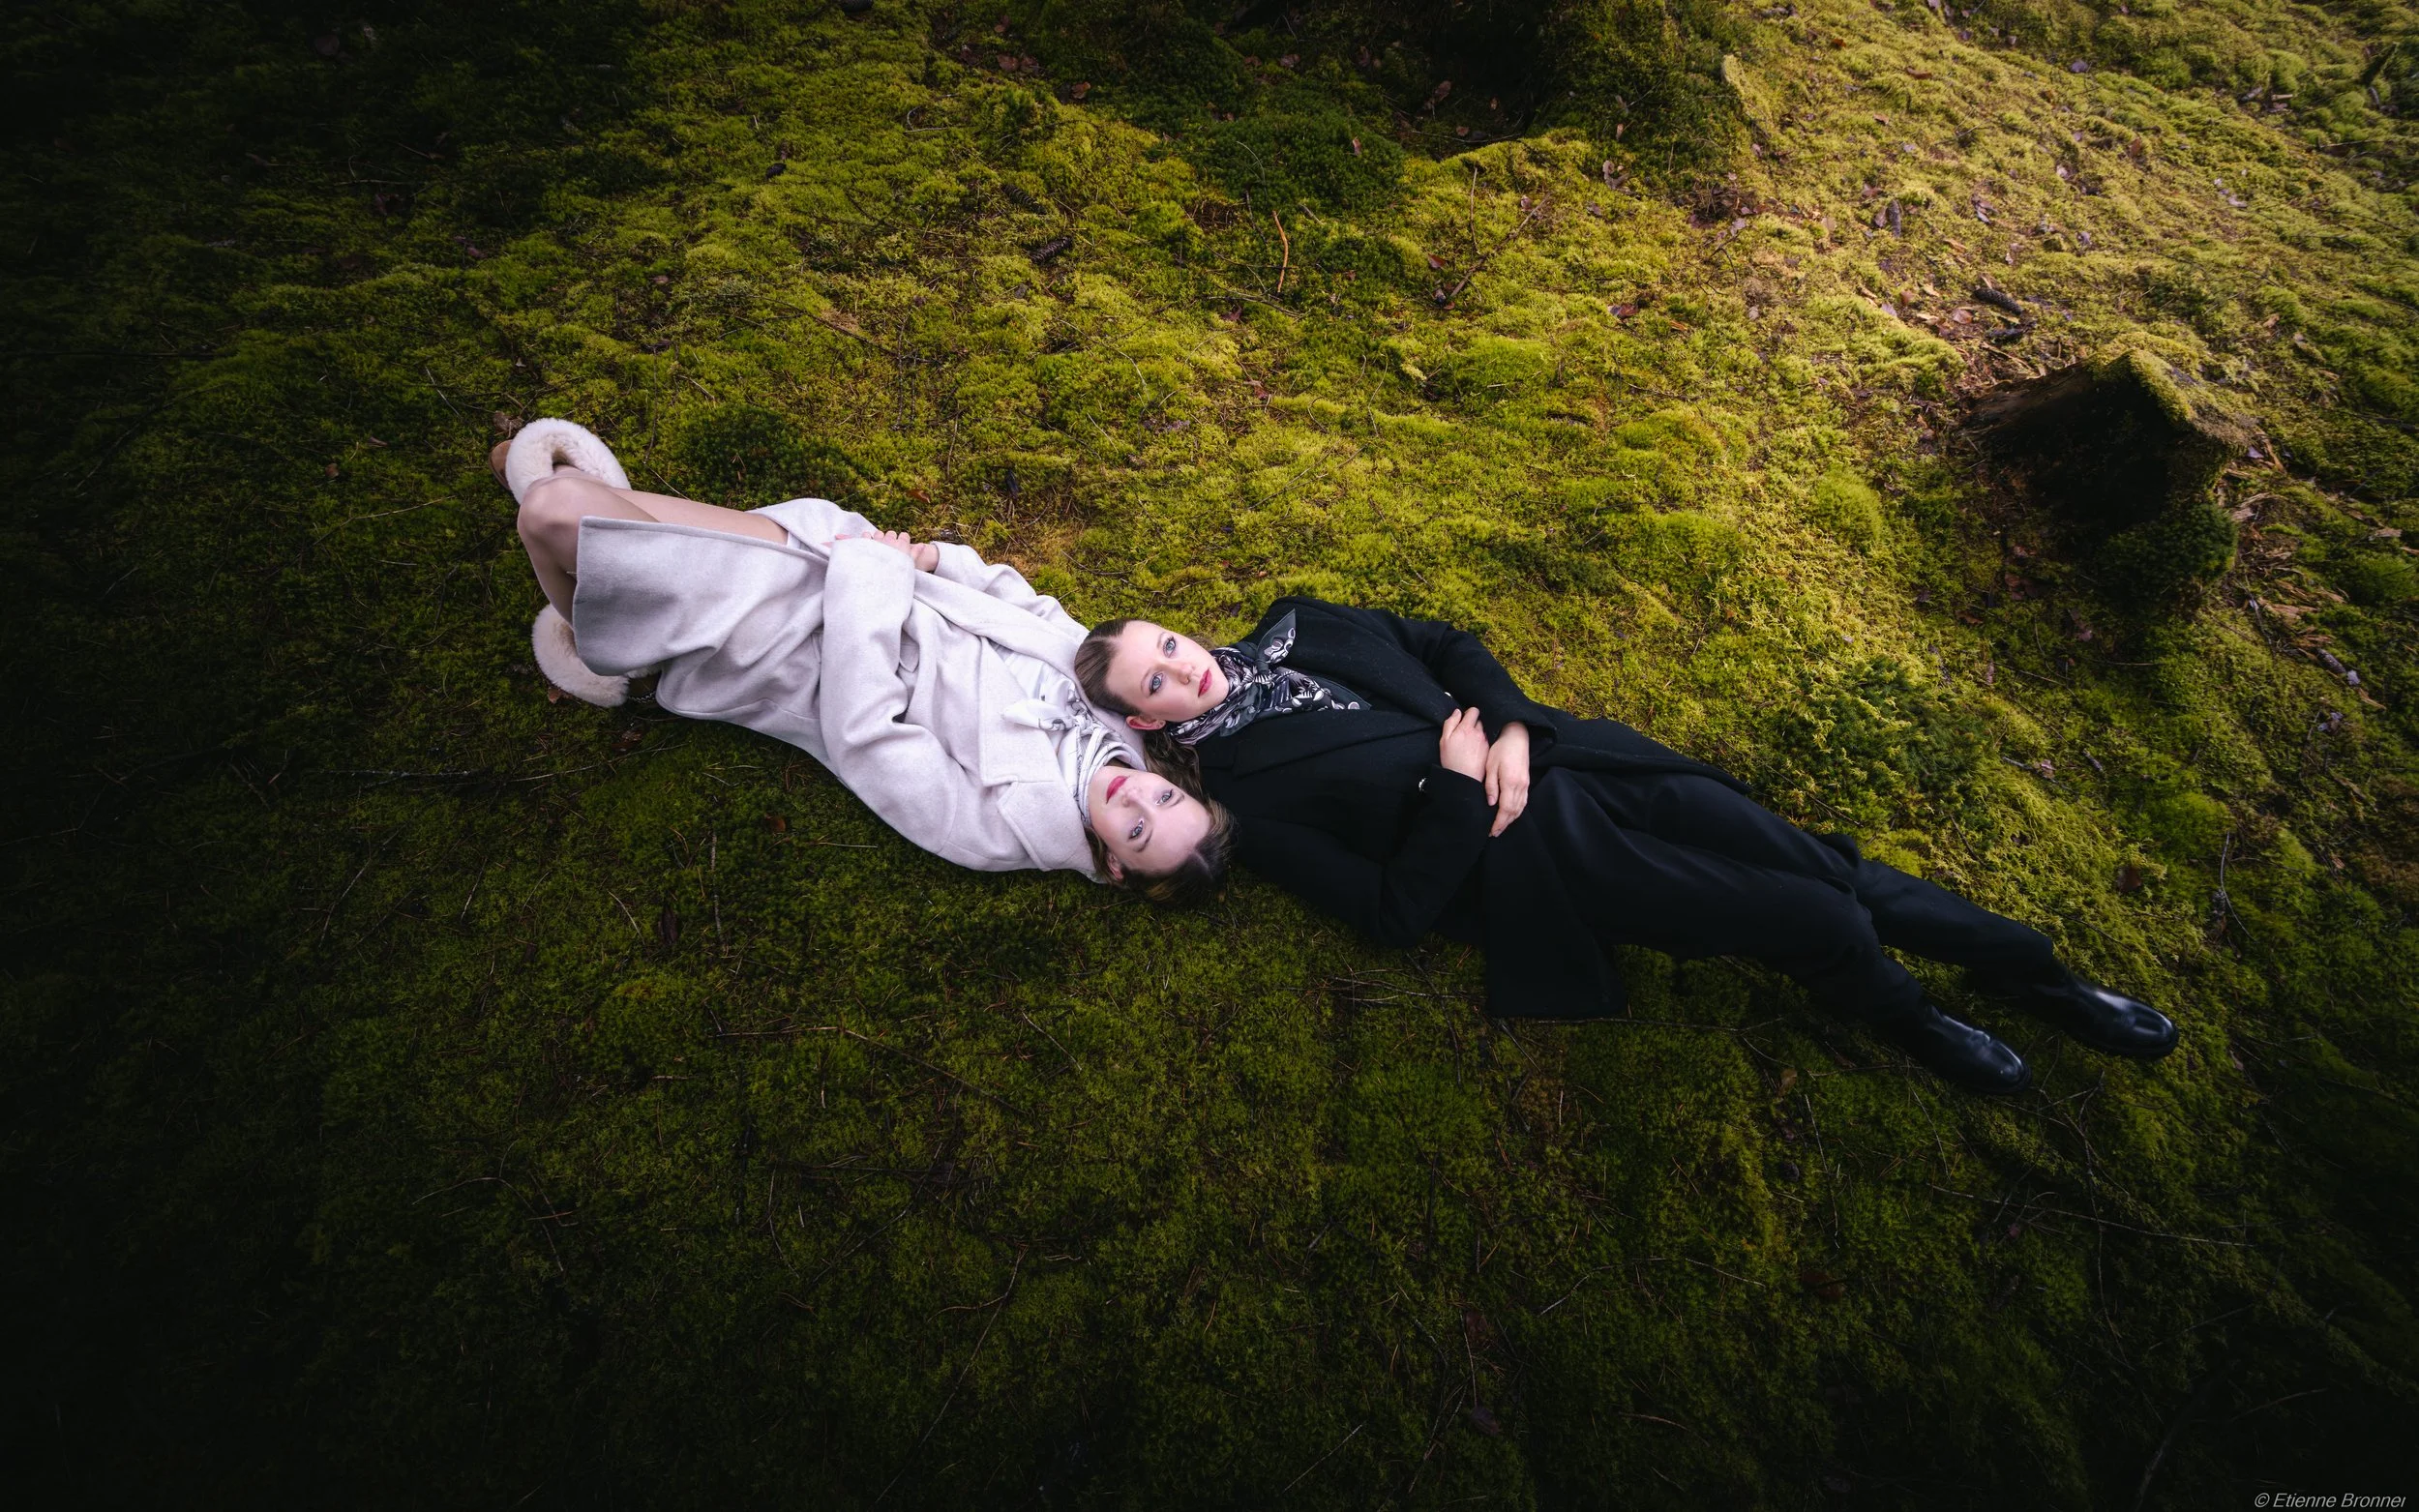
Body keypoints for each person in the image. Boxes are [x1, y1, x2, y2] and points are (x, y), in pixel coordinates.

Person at [1072, 598, 2177, 1093]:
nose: (1182, 669)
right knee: (1816, 914)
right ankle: (1913, 1020)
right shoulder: (1246, 803)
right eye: (1156, 684)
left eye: (1167, 645)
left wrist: (1506, 725)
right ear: (1155, 724)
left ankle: (2041, 976)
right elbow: (1389, 915)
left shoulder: (1299, 619)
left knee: (1830, 865)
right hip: (1542, 855)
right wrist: (1462, 792)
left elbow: (1444, 640)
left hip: (1587, 760)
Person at [497, 419, 1229, 900]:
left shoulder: (1001, 832)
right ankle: (589, 557)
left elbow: (863, 734)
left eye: (1136, 831)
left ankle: (590, 625)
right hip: (850, 557)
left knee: (552, 510)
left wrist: (873, 584)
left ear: (1111, 863)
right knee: (572, 505)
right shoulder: (1128, 720)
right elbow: (1036, 610)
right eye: (1162, 798)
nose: (1135, 799)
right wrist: (936, 557)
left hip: (791, 644)